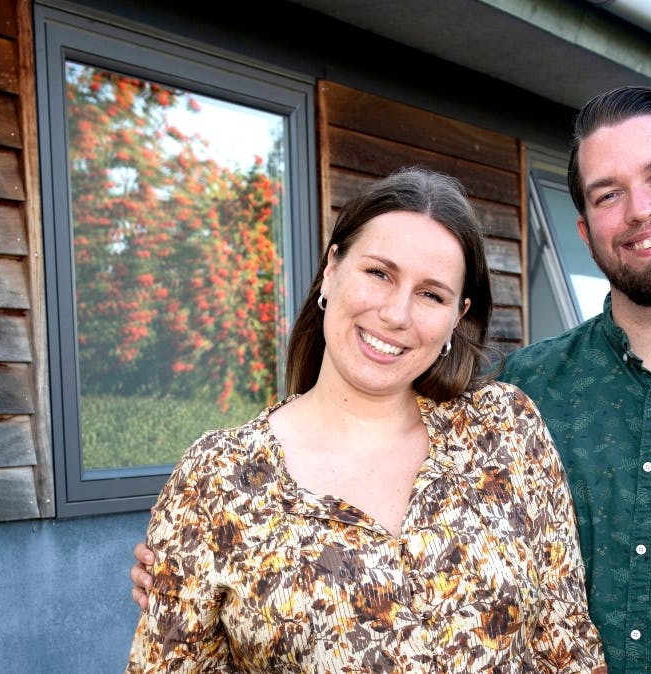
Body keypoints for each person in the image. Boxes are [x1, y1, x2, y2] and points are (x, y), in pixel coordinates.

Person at [133, 88, 651, 672]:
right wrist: (201, 563)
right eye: (607, 194)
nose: (639, 210)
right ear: (585, 227)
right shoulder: (520, 395)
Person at [125, 167, 606, 673]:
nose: (397, 313)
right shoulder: (220, 477)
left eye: (431, 294)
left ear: (456, 318)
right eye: (379, 273)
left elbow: (566, 644)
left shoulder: (505, 433)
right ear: (332, 269)